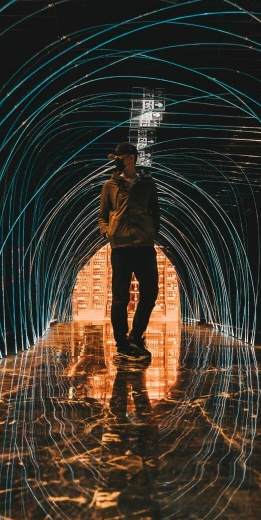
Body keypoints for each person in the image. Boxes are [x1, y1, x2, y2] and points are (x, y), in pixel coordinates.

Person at [99, 142, 160, 360]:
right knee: (120, 298)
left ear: (131, 158)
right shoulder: (109, 186)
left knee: (151, 292)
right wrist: (108, 232)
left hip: (144, 247)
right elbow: (103, 215)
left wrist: (150, 233)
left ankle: (135, 336)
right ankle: (122, 343)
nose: (116, 161)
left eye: (120, 157)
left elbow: (155, 212)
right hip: (121, 248)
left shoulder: (147, 185)